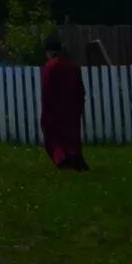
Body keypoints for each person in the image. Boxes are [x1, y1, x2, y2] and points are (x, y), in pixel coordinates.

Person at [39, 35, 88, 170]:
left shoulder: (50, 67)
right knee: (72, 136)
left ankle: (62, 159)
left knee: (55, 137)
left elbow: (47, 91)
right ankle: (75, 157)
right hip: (72, 109)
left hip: (55, 109)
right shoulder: (73, 67)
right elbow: (80, 90)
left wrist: (46, 112)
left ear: (49, 52)